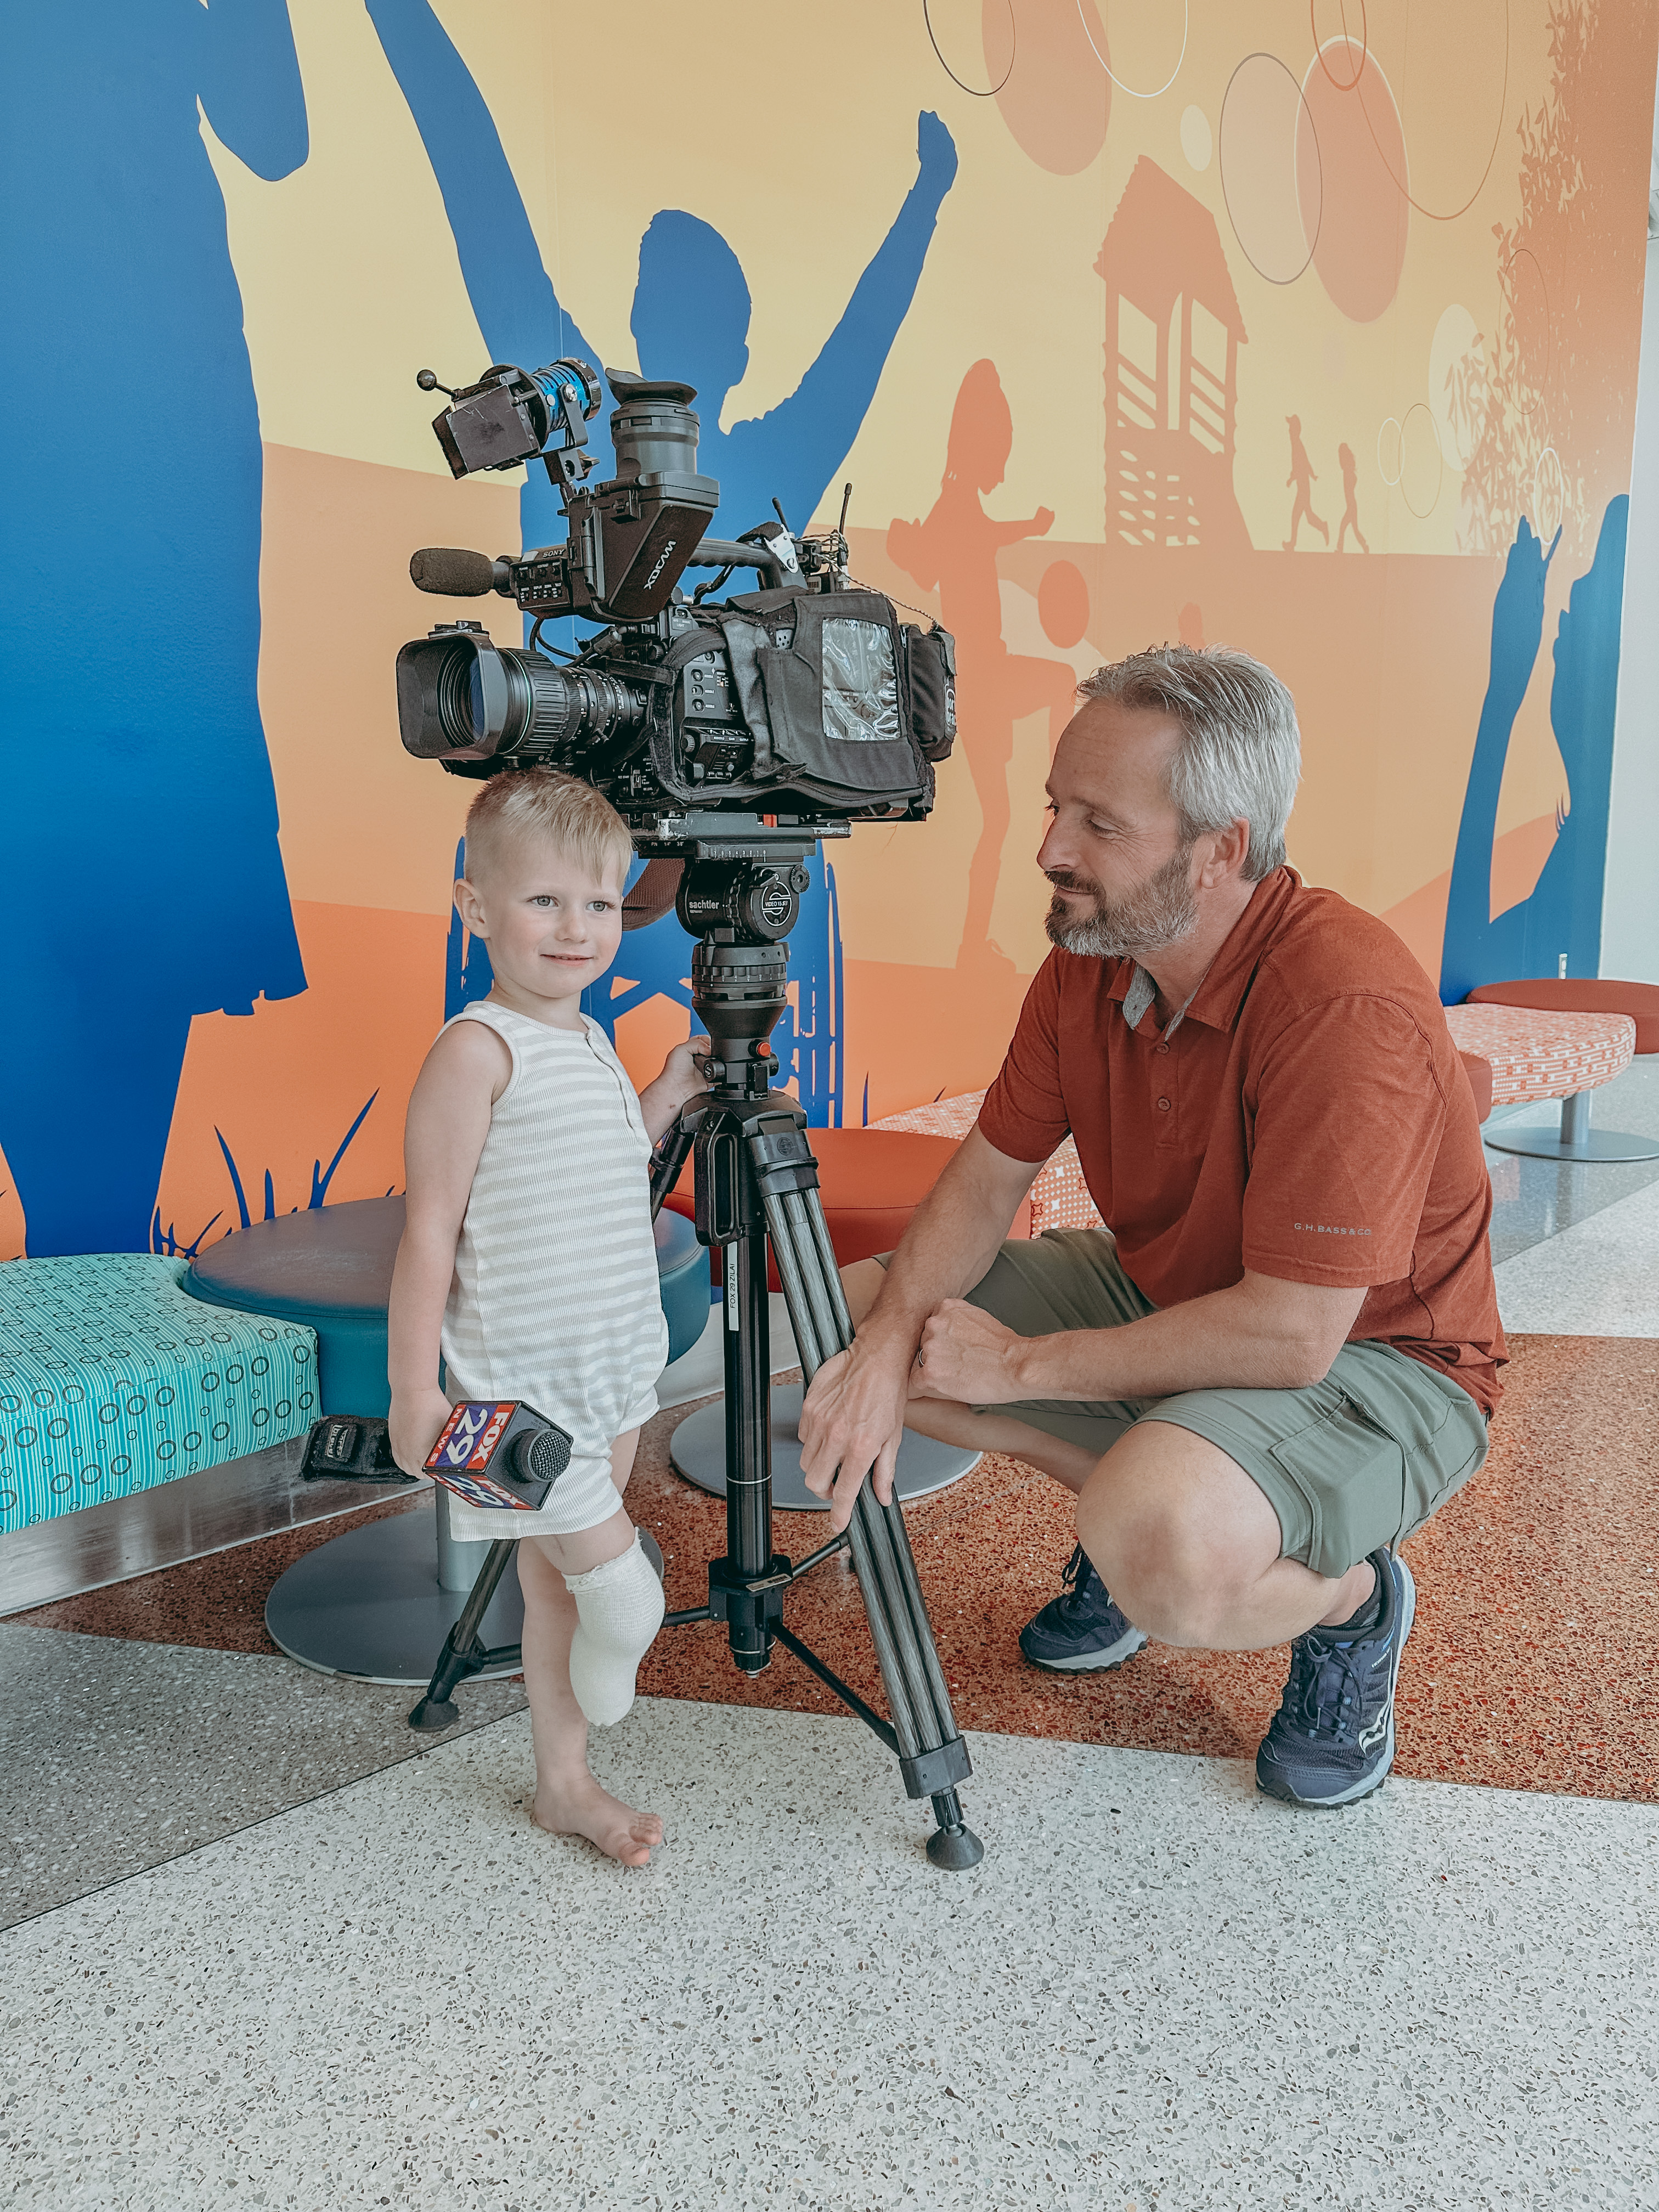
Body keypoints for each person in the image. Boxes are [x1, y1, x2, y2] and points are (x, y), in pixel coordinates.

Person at [798, 645, 1503, 1810]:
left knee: (1166, 1544)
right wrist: (882, 1348)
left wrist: (1021, 1367)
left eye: (1100, 824)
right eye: (1055, 808)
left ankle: (1352, 1603)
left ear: (1220, 849)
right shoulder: (1093, 959)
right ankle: (1133, 1504)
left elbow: (1291, 1337)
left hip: (1382, 1358)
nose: (1050, 850)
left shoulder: (1344, 1003)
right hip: (1174, 1294)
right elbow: (983, 1182)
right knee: (847, 1324)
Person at [387, 770, 707, 1866]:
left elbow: (607, 1171)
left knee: (554, 1580)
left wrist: (665, 1093)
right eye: (544, 902)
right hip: (514, 1398)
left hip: (612, 1369)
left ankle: (563, 1784)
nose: (577, 929)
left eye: (600, 905)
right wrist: (414, 1390)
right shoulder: (476, 1051)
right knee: (622, 1599)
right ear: (476, 908)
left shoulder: (589, 1044)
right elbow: (429, 1232)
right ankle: (601, 1703)